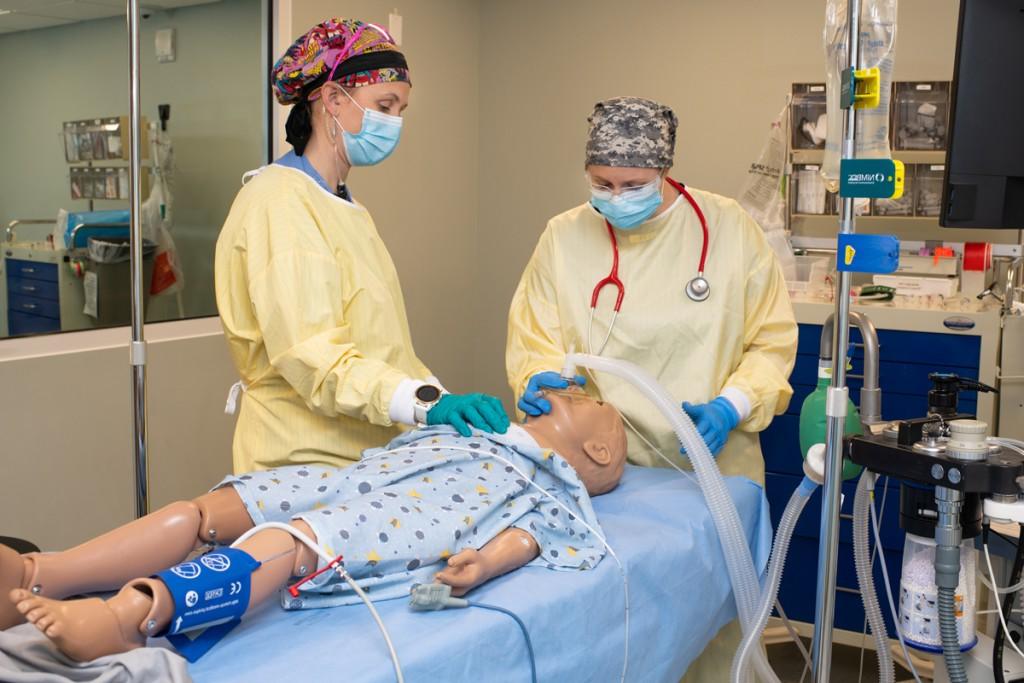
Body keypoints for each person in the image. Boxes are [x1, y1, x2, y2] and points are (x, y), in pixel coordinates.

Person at [505, 96, 798, 681]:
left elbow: (770, 342)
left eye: (632, 183)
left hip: (711, 469)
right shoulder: (564, 237)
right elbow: (535, 334)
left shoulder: (728, 230)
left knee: (718, 636)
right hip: (603, 476)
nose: (615, 197)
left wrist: (730, 406)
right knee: (620, 629)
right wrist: (535, 375)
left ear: (664, 169)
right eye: (601, 183)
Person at [1, 391, 625, 663]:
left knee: (293, 541)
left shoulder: (552, 482)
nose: (570, 389)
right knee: (209, 512)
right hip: (357, 476)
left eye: (590, 402)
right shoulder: (480, 423)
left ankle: (126, 618)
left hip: (411, 514)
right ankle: (41, 572)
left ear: (599, 452)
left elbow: (539, 534)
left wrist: (487, 562)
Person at [216, 18, 509, 474]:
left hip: (362, 454)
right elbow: (313, 356)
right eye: (384, 105)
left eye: (401, 111)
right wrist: (422, 403)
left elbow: (381, 343)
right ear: (333, 99)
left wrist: (437, 396)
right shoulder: (280, 203)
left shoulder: (342, 206)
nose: (393, 123)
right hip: (301, 460)